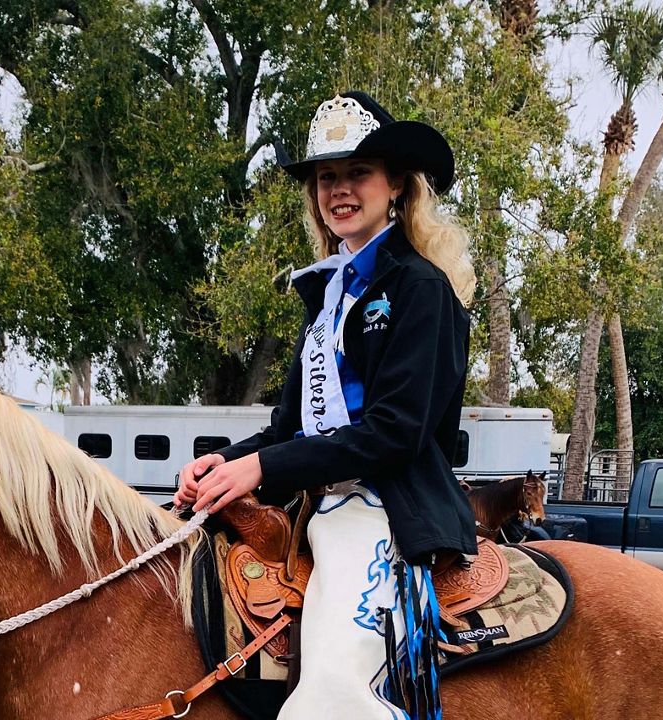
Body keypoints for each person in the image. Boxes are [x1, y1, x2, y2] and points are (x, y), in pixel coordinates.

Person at [174, 91, 477, 720]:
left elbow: (396, 433)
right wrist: (222, 462)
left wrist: (260, 470)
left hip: (384, 510)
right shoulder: (330, 294)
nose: (340, 190)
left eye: (357, 173)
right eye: (326, 177)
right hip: (318, 503)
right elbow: (289, 427)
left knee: (326, 703)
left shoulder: (421, 290)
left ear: (395, 183)